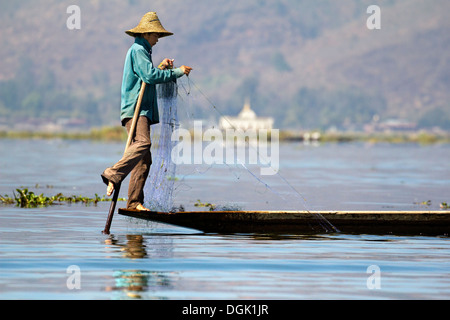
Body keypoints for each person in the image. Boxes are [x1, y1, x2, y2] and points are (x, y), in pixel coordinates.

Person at [101, 12, 192, 212]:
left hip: (142, 110)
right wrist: (176, 72)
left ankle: (134, 202)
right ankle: (112, 173)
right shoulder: (138, 49)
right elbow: (149, 76)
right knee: (144, 143)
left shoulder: (143, 51)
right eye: (156, 35)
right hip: (136, 110)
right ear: (147, 33)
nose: (158, 39)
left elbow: (146, 76)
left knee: (144, 160)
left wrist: (161, 67)